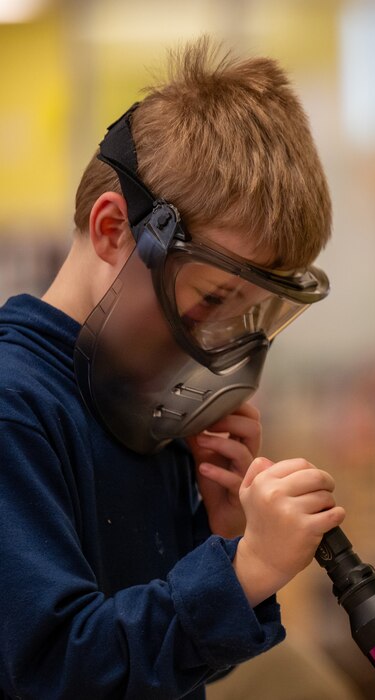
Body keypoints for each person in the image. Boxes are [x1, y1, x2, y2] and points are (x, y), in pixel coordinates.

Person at [0, 38, 345, 698]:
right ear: (112, 231)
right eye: (212, 299)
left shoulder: (130, 400)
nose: (215, 338)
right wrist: (242, 572)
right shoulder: (16, 406)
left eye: (243, 313)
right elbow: (56, 669)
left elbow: (160, 668)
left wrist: (212, 536)